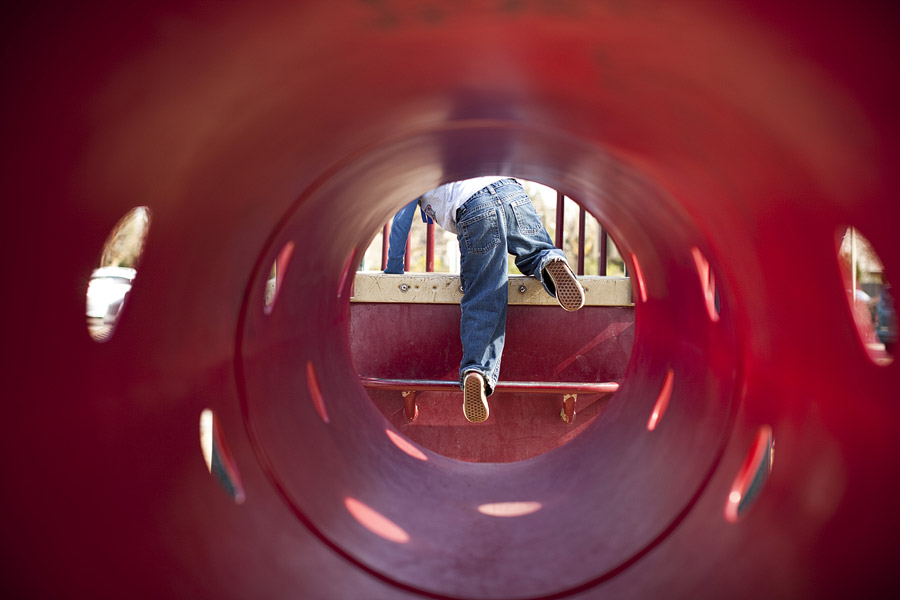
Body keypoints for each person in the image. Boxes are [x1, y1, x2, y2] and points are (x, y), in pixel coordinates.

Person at [389, 177, 585, 423]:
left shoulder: (416, 167)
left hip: (475, 207)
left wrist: (393, 270)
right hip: (512, 192)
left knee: (484, 293)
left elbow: (401, 219)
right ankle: (548, 261)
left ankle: (477, 370)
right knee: (535, 249)